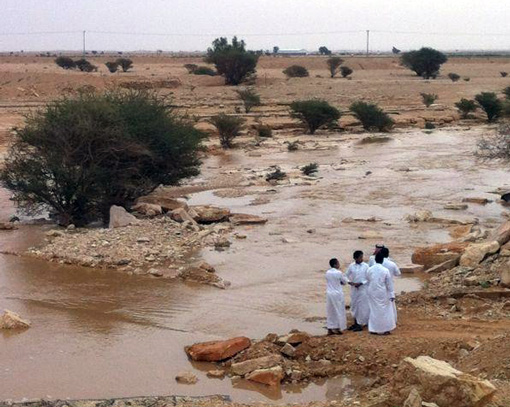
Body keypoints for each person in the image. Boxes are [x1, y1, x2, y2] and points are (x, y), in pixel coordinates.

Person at [366, 251, 396, 335]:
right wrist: (391, 294)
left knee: (373, 309)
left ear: (375, 260)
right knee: (385, 310)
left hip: (372, 291)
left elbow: (368, 279)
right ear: (382, 260)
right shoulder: (385, 270)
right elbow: (389, 284)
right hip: (382, 291)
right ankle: (385, 329)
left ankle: (373, 329)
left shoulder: (369, 269)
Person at [346, 250, 370, 332]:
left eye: (362, 257)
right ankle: (355, 323)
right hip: (354, 289)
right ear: (355, 258)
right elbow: (345, 276)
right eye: (360, 257)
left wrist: (361, 283)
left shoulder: (366, 266)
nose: (362, 259)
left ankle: (361, 324)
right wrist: (350, 282)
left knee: (362, 306)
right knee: (354, 305)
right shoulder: (351, 266)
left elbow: (369, 278)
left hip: (363, 289)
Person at [326, 258, 349, 335]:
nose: (339, 264)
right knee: (339, 310)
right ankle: (338, 327)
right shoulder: (339, 273)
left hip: (329, 293)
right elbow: (345, 281)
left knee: (330, 311)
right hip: (337, 293)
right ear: (335, 264)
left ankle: (330, 327)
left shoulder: (327, 272)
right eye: (338, 263)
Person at [380, 247, 401, 322]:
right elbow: (398, 273)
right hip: (389, 286)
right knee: (391, 305)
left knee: (380, 304)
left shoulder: (378, 263)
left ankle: (381, 320)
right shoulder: (392, 264)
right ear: (388, 254)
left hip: (379, 287)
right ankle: (392, 320)